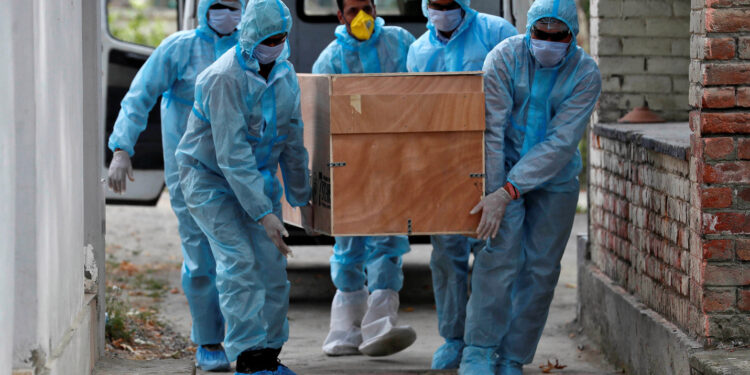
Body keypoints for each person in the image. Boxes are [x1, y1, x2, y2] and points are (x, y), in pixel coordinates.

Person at [461, 0, 602, 373]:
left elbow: (560, 142)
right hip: (501, 169)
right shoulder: (504, 58)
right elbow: (491, 131)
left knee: (540, 270)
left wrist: (510, 190)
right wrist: (494, 193)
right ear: (529, 29)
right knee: (497, 258)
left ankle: (512, 356)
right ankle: (478, 350)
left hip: (555, 180)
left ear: (572, 36)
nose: (549, 42)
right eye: (541, 34)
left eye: (559, 36)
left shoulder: (586, 73)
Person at [106, 0, 245, 371]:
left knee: (244, 257)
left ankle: (246, 338)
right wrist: (122, 148)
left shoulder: (251, 47)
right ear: (203, 9)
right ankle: (210, 340)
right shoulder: (177, 48)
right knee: (201, 258)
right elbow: (139, 96)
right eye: (218, 6)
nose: (226, 14)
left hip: (241, 172)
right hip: (190, 174)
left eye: (234, 6)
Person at [175, 0, 313, 372]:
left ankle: (269, 354)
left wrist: (303, 198)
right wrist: (265, 214)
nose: (276, 43)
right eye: (269, 37)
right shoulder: (223, 78)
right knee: (239, 264)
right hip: (209, 181)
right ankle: (250, 360)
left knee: (271, 267)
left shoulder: (284, 75)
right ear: (251, 35)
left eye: (282, 37)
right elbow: (231, 156)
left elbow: (292, 140)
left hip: (256, 179)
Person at [406, 0, 516, 369]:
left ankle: (489, 344)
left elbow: (519, 94)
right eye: (436, 4)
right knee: (446, 255)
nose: (443, 11)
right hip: (444, 168)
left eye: (450, 4)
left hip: (497, 163)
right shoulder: (419, 51)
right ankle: (453, 338)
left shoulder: (497, 33)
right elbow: (417, 115)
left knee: (496, 257)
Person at [311, 0, 417, 358]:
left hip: (393, 163)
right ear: (340, 16)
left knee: (388, 243)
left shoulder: (400, 42)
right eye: (353, 10)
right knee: (349, 245)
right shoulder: (329, 59)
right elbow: (319, 120)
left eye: (367, 8)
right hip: (350, 167)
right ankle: (345, 328)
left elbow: (421, 93)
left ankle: (380, 325)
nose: (362, 18)